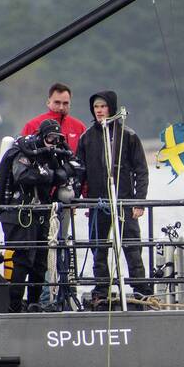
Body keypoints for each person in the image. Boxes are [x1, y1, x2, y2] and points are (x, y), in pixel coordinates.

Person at [0, 119, 80, 312]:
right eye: (50, 137)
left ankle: (34, 303)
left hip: (41, 214)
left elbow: (71, 171)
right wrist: (51, 175)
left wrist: (65, 171)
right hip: (19, 215)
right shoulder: (24, 152)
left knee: (40, 263)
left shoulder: (53, 155)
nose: (53, 142)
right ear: (41, 136)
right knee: (21, 260)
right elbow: (23, 175)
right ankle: (14, 306)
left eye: (57, 139)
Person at [74, 90, 151, 308]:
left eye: (103, 106)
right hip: (98, 203)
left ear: (112, 108)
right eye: (96, 107)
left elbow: (141, 171)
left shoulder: (128, 136)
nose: (99, 110)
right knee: (98, 248)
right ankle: (101, 289)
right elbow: (80, 172)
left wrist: (139, 201)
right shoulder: (86, 138)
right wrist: (76, 199)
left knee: (132, 247)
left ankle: (140, 288)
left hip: (124, 202)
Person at [21, 82, 87, 153]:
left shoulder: (80, 127)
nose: (61, 107)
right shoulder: (32, 126)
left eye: (65, 103)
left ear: (70, 104)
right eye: (57, 102)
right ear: (48, 102)